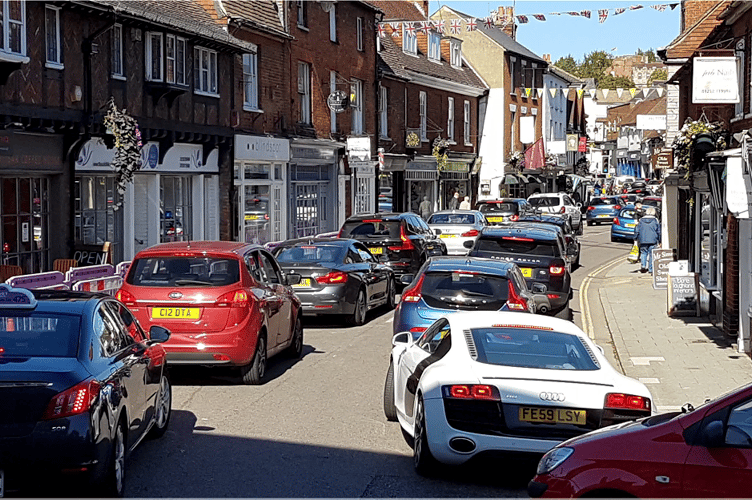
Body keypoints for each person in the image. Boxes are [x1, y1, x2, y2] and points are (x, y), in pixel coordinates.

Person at [633, 206, 661, 274]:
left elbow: (637, 230)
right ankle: (650, 269)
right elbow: (659, 231)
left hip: (643, 239)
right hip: (653, 240)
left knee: (643, 253)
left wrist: (635, 238)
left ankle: (643, 266)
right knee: (651, 254)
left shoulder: (641, 220)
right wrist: (660, 241)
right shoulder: (655, 220)